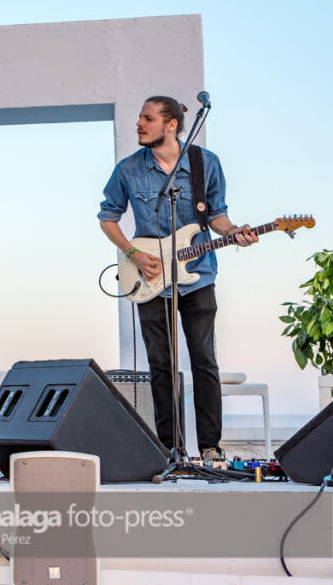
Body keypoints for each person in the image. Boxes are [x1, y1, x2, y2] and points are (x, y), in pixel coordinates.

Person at [98, 96, 257, 465]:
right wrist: (133, 253)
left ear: (171, 125)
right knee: (161, 365)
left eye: (148, 118)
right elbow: (108, 217)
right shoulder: (127, 170)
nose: (139, 123)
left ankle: (210, 447)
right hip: (150, 278)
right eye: (139, 117)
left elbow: (217, 215)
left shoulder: (205, 163)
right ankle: (170, 448)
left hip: (198, 274)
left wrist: (234, 232)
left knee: (204, 359)